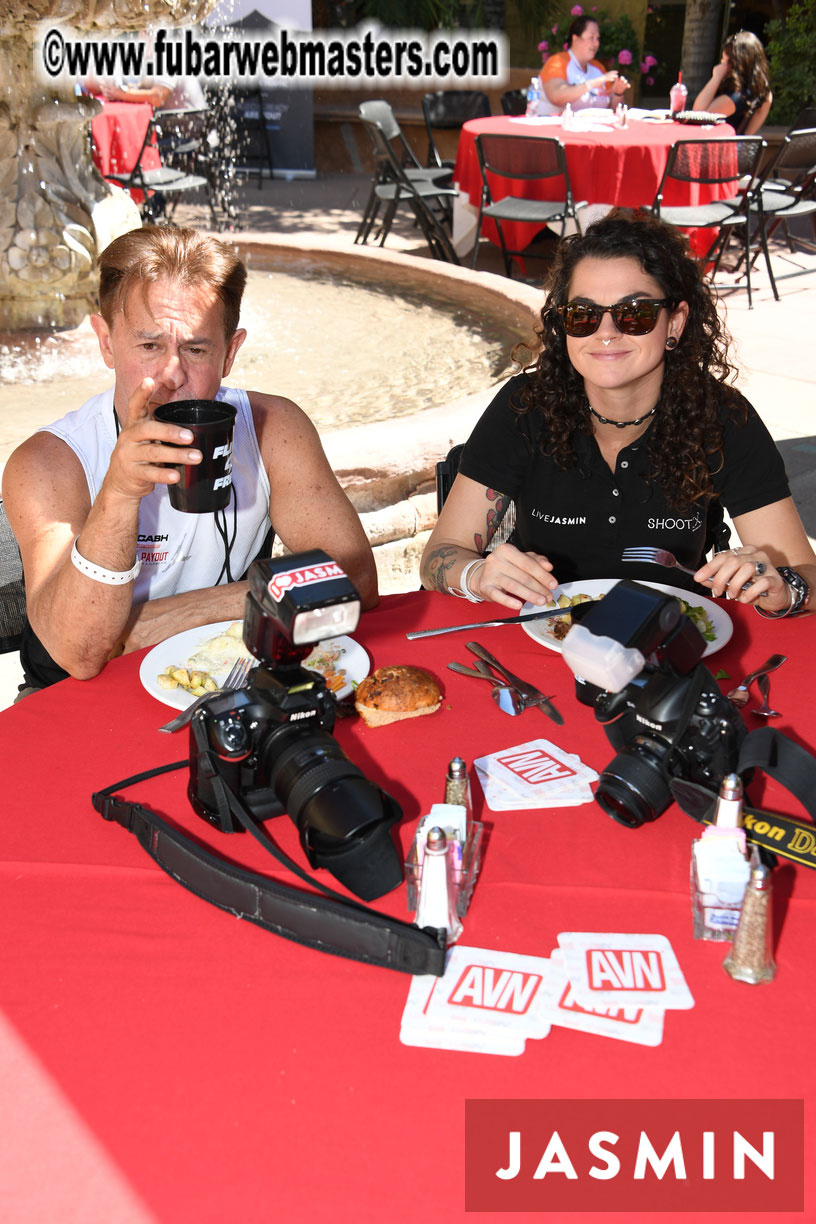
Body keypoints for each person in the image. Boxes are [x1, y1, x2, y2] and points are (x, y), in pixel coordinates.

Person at [2, 226, 378, 691]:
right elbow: (78, 652)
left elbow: (356, 578)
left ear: (230, 353)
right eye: (149, 346)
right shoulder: (47, 462)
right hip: (73, 697)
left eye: (196, 349)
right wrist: (119, 493)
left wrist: (169, 617)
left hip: (225, 673)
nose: (172, 374)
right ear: (106, 342)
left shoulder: (273, 429)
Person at [420, 210, 814, 620]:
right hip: (541, 630)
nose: (606, 332)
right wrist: (477, 574)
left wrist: (785, 587)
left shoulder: (722, 418)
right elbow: (438, 557)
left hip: (675, 635)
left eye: (635, 313)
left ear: (675, 323)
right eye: (583, 314)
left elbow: (807, 574)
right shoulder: (526, 406)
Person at [536, 16, 630, 117]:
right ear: (575, 39)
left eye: (597, 38)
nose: (596, 43)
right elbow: (556, 96)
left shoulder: (598, 68)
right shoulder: (557, 62)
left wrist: (617, 93)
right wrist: (593, 83)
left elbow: (612, 110)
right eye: (591, 37)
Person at [692, 30, 773, 134]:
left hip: (714, 142)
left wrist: (716, 77)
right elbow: (747, 135)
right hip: (735, 143)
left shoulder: (734, 98)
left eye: (724, 61)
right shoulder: (764, 94)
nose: (721, 64)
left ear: (735, 64)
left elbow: (697, 115)